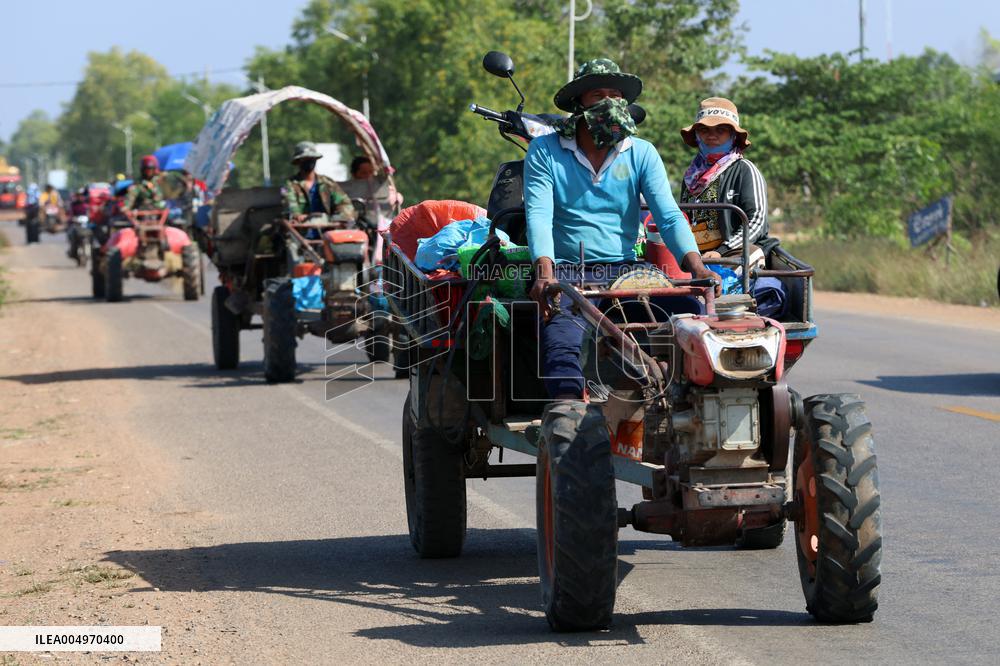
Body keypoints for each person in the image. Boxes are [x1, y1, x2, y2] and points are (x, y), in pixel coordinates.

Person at [524, 58, 720, 399]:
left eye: (615, 95)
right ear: (579, 105)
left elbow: (670, 217)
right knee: (562, 348)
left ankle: (679, 410)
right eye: (597, 94)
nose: (608, 103)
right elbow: (538, 214)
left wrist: (697, 268)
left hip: (627, 272)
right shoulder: (546, 150)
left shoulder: (641, 152)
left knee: (690, 328)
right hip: (569, 274)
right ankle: (567, 425)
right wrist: (545, 271)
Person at [678, 97, 768, 261]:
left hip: (732, 252)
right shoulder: (691, 176)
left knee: (752, 254)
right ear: (697, 135)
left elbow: (757, 221)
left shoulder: (744, 170)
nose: (712, 135)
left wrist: (721, 251)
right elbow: (682, 219)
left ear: (733, 135)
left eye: (721, 130)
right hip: (694, 255)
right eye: (704, 130)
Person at [281, 141, 356, 222]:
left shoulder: (327, 182)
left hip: (327, 228)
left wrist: (342, 215)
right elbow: (289, 205)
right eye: (305, 159)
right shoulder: (290, 184)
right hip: (301, 230)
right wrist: (298, 216)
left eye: (312, 158)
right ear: (298, 161)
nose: (309, 161)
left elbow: (344, 202)